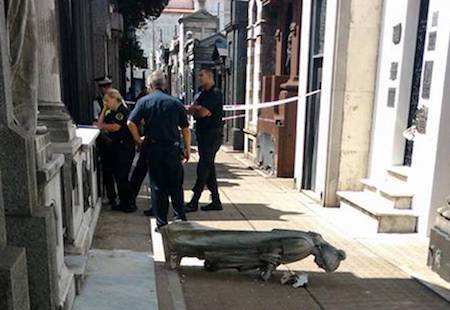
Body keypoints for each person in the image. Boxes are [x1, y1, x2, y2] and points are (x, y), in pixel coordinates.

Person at [128, 71, 191, 229]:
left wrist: (138, 139)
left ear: (150, 85)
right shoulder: (175, 102)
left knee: (157, 185)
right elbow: (185, 128)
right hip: (172, 148)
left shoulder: (144, 101)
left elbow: (130, 122)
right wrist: (187, 148)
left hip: (153, 147)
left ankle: (161, 222)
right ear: (164, 85)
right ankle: (179, 217)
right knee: (175, 184)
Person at [185, 68, 224, 212]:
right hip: (202, 134)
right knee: (209, 168)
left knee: (203, 168)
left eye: (201, 75)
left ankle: (194, 201)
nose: (199, 78)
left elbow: (202, 112)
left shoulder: (215, 94)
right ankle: (216, 200)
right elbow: (193, 111)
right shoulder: (200, 94)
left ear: (209, 76)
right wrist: (196, 109)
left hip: (213, 136)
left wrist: (196, 109)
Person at [96, 89, 137, 213]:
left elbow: (115, 127)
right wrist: (103, 110)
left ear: (115, 99)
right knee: (119, 177)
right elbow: (100, 123)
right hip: (117, 149)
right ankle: (124, 203)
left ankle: (130, 204)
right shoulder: (111, 112)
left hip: (124, 148)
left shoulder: (122, 112)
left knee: (122, 177)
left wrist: (102, 126)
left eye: (108, 101)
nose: (107, 103)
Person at [93, 77, 117, 208]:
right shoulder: (97, 102)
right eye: (105, 87)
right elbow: (97, 123)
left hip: (117, 139)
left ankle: (118, 195)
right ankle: (111, 197)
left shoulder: (117, 100)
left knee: (117, 169)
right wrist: (105, 137)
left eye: (109, 86)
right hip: (105, 139)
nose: (107, 89)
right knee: (107, 169)